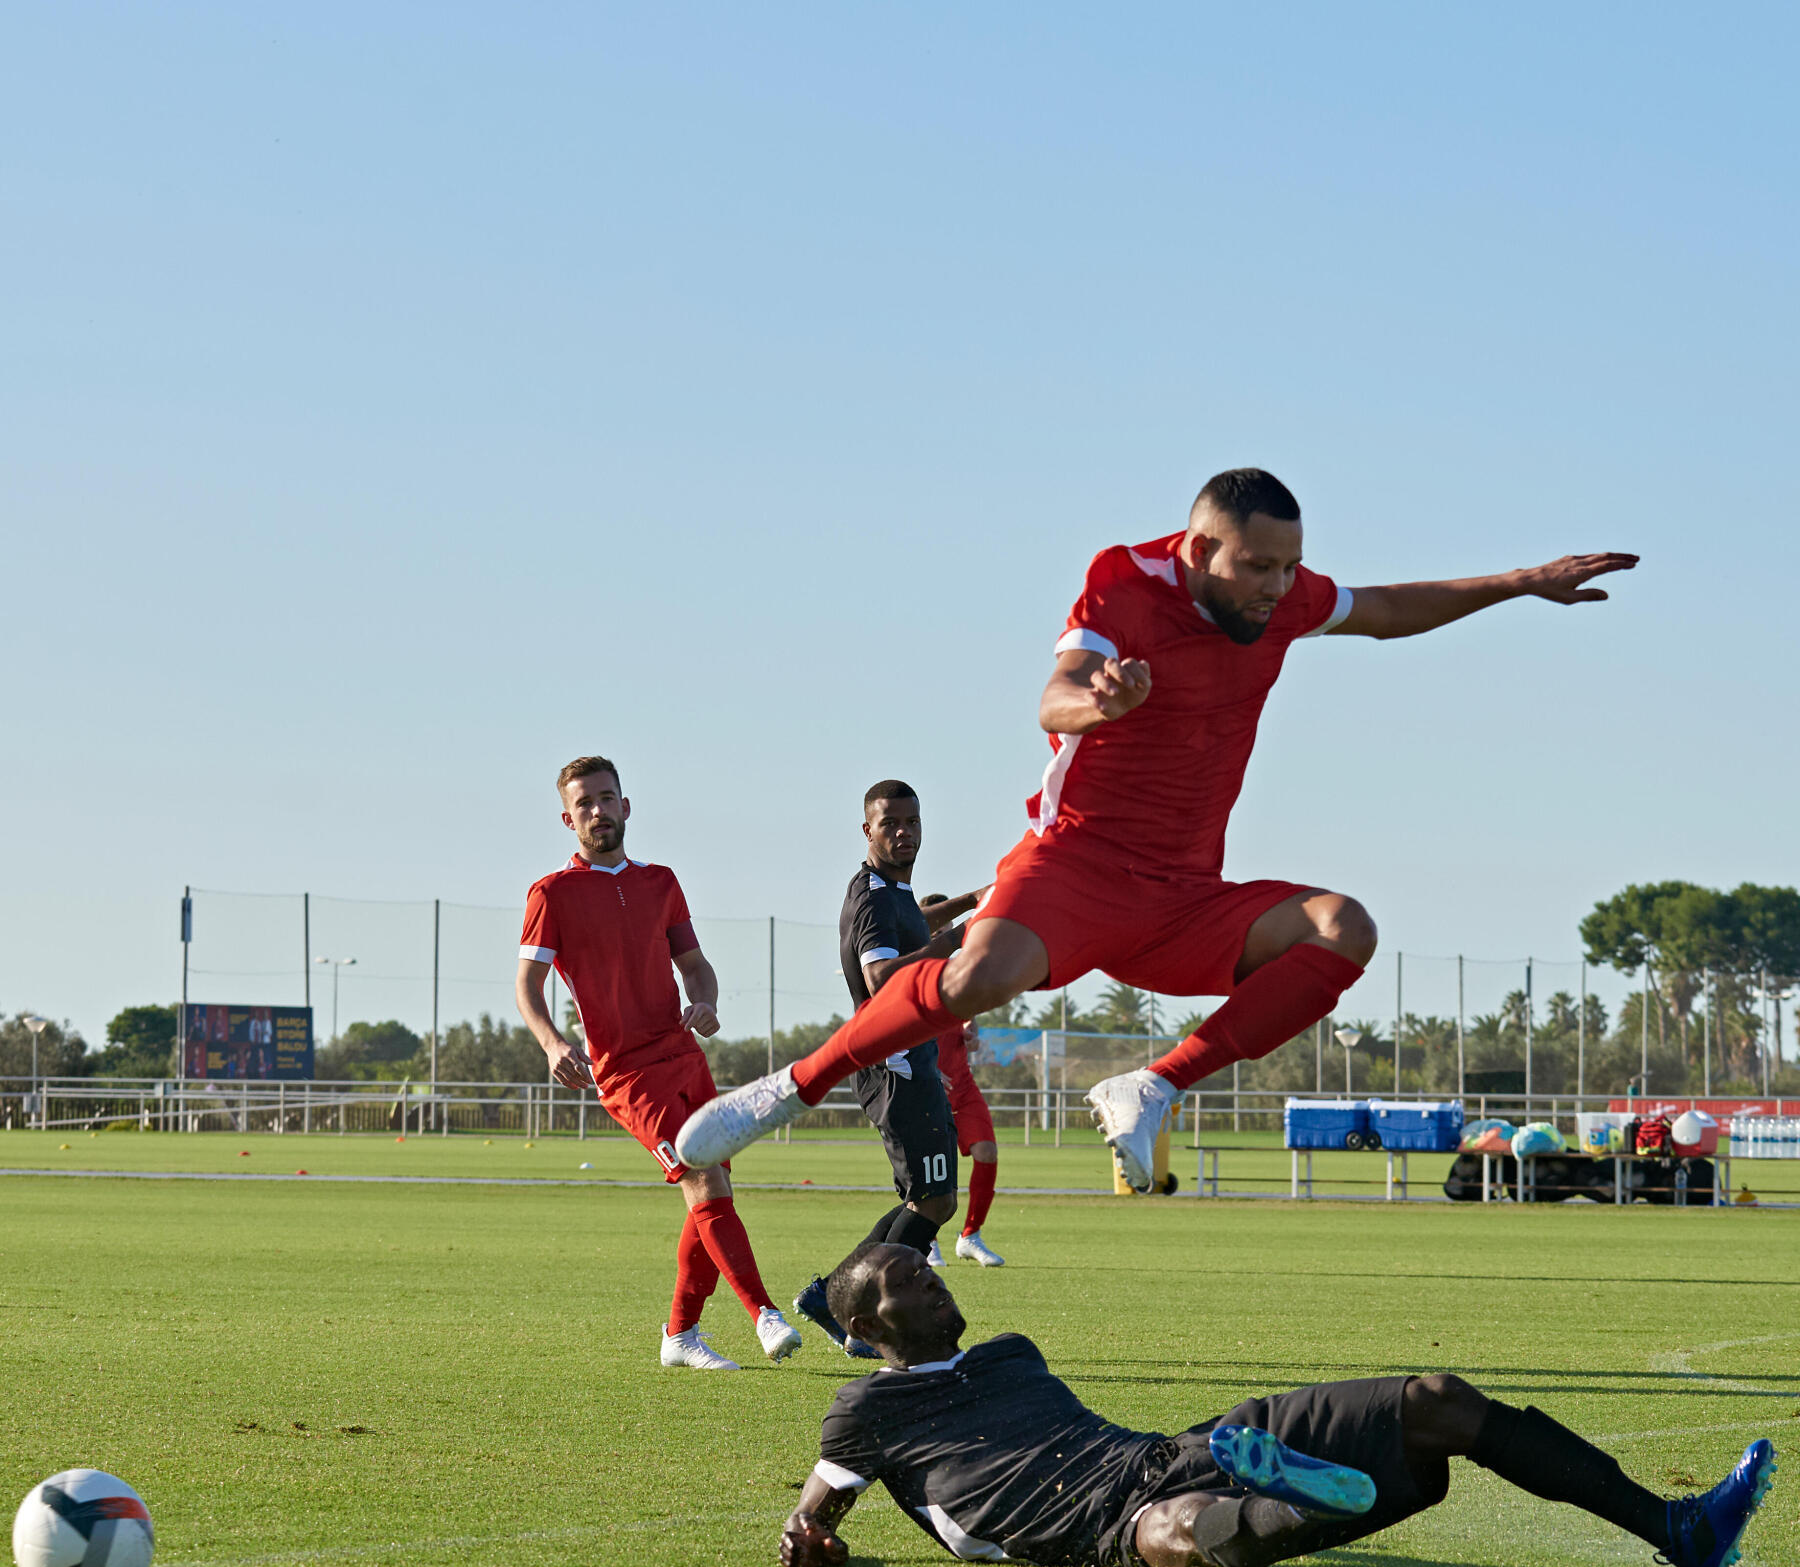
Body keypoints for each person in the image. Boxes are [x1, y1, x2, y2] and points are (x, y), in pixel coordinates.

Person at [679, 470, 1637, 1189]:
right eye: (1257, 565)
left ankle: (1155, 1085)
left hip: (1186, 895)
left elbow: (1384, 610)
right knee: (979, 978)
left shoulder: (1283, 601)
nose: (1277, 586)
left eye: (1289, 566)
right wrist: (1104, 704)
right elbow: (1054, 697)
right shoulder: (1124, 582)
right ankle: (781, 1091)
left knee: (1345, 927)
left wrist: (1518, 582)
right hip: (1079, 862)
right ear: (1197, 546)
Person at [777, 1245, 1776, 1567]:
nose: (935, 1280)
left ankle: (1680, 1528)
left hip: (1170, 1451)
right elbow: (814, 1515)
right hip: (1093, 1527)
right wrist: (815, 1541)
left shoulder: (1011, 1355)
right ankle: (1298, 1501)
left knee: (1437, 1401)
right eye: (912, 1279)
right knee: (1180, 1536)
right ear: (868, 1325)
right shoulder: (863, 1412)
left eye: (930, 1266)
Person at [516, 754, 802, 1372]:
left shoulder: (661, 882)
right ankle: (765, 1315)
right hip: (624, 1072)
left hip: (683, 1054)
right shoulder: (552, 894)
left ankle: (679, 1336)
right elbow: (527, 986)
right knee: (703, 1180)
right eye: (584, 803)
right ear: (568, 819)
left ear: (626, 805)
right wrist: (551, 1042)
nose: (598, 811)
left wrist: (706, 1000)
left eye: (606, 798)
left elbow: (694, 963)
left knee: (712, 1188)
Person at [790, 781, 981, 1355]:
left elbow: (919, 926)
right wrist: (954, 940)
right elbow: (881, 978)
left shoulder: (895, 889)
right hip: (893, 1065)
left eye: (912, 823)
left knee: (926, 1198)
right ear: (867, 830)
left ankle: (834, 1298)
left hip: (911, 1062)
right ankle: (857, 1313)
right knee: (934, 1201)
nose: (904, 833)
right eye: (890, 823)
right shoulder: (873, 897)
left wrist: (976, 900)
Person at [917, 902, 1005, 1268]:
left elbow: (968, 1016)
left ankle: (970, 1236)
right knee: (935, 1169)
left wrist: (973, 1030)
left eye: (948, 930)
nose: (943, 936)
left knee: (987, 1152)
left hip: (963, 1086)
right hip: (925, 1087)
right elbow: (900, 1031)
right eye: (936, 929)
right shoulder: (911, 972)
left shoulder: (959, 970)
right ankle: (927, 1241)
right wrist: (927, 1068)